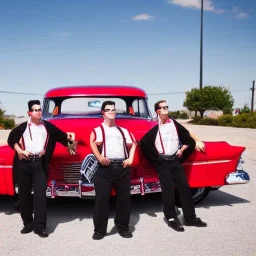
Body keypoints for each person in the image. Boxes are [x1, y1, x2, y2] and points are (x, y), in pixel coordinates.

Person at [7, 100, 77, 238]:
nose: (38, 112)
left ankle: (40, 227)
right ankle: (27, 224)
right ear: (29, 113)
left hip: (39, 164)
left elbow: (62, 137)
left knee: (40, 197)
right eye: (35, 110)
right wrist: (19, 150)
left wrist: (71, 145)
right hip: (24, 164)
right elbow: (11, 139)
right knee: (24, 196)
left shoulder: (47, 126)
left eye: (39, 109)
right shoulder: (23, 127)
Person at [140, 100, 207, 232]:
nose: (166, 109)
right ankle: (171, 218)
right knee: (168, 191)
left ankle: (190, 218)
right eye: (163, 107)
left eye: (167, 107)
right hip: (162, 163)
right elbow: (144, 144)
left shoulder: (174, 124)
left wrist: (182, 150)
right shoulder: (154, 126)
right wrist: (156, 160)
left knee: (185, 189)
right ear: (157, 111)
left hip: (175, 161)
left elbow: (187, 138)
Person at [90, 100, 136, 240]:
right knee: (101, 200)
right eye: (109, 110)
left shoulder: (123, 130)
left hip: (122, 168)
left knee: (124, 200)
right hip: (105, 170)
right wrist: (99, 157)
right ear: (103, 113)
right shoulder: (98, 130)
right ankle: (99, 230)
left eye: (114, 110)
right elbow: (92, 141)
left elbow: (134, 143)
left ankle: (123, 227)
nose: (112, 112)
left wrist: (131, 158)